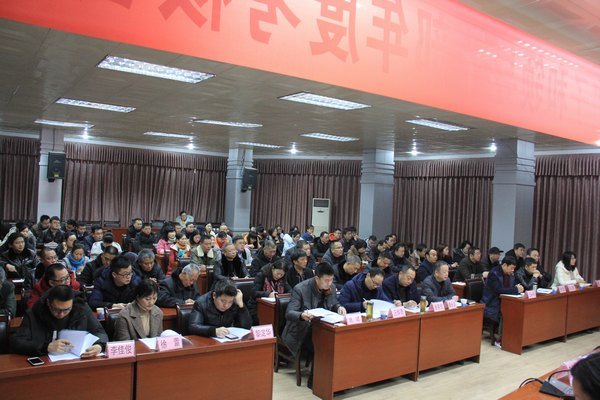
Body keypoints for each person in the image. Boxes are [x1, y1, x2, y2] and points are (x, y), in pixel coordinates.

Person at [282, 263, 346, 388]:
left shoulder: (331, 287)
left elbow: (334, 303)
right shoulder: (300, 289)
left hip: (323, 328)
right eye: (326, 280)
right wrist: (302, 315)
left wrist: (339, 307)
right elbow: (289, 313)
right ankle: (316, 382)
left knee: (337, 342)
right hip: (301, 330)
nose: (329, 283)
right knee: (322, 345)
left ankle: (336, 381)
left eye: (331, 280)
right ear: (317, 278)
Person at [10, 285, 107, 357]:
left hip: (76, 361)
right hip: (44, 363)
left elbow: (99, 331)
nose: (61, 314)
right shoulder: (33, 314)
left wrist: (99, 346)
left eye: (66, 310)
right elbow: (17, 342)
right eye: (56, 309)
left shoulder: (81, 309)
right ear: (48, 303)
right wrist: (46, 347)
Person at [480, 256, 524, 346]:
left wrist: (518, 287)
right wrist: (516, 290)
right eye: (511, 268)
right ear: (504, 265)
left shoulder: (511, 274)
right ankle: (500, 340)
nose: (513, 270)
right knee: (506, 313)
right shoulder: (494, 274)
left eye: (514, 268)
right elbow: (499, 290)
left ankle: (515, 338)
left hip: (504, 301)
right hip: (491, 304)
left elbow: (512, 287)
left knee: (517, 311)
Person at [248, 260, 291, 324]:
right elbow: (254, 293)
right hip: (257, 306)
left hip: (276, 306)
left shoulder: (283, 279)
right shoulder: (262, 275)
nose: (279, 276)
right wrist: (268, 294)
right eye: (277, 273)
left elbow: (289, 289)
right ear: (272, 268)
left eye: (281, 274)